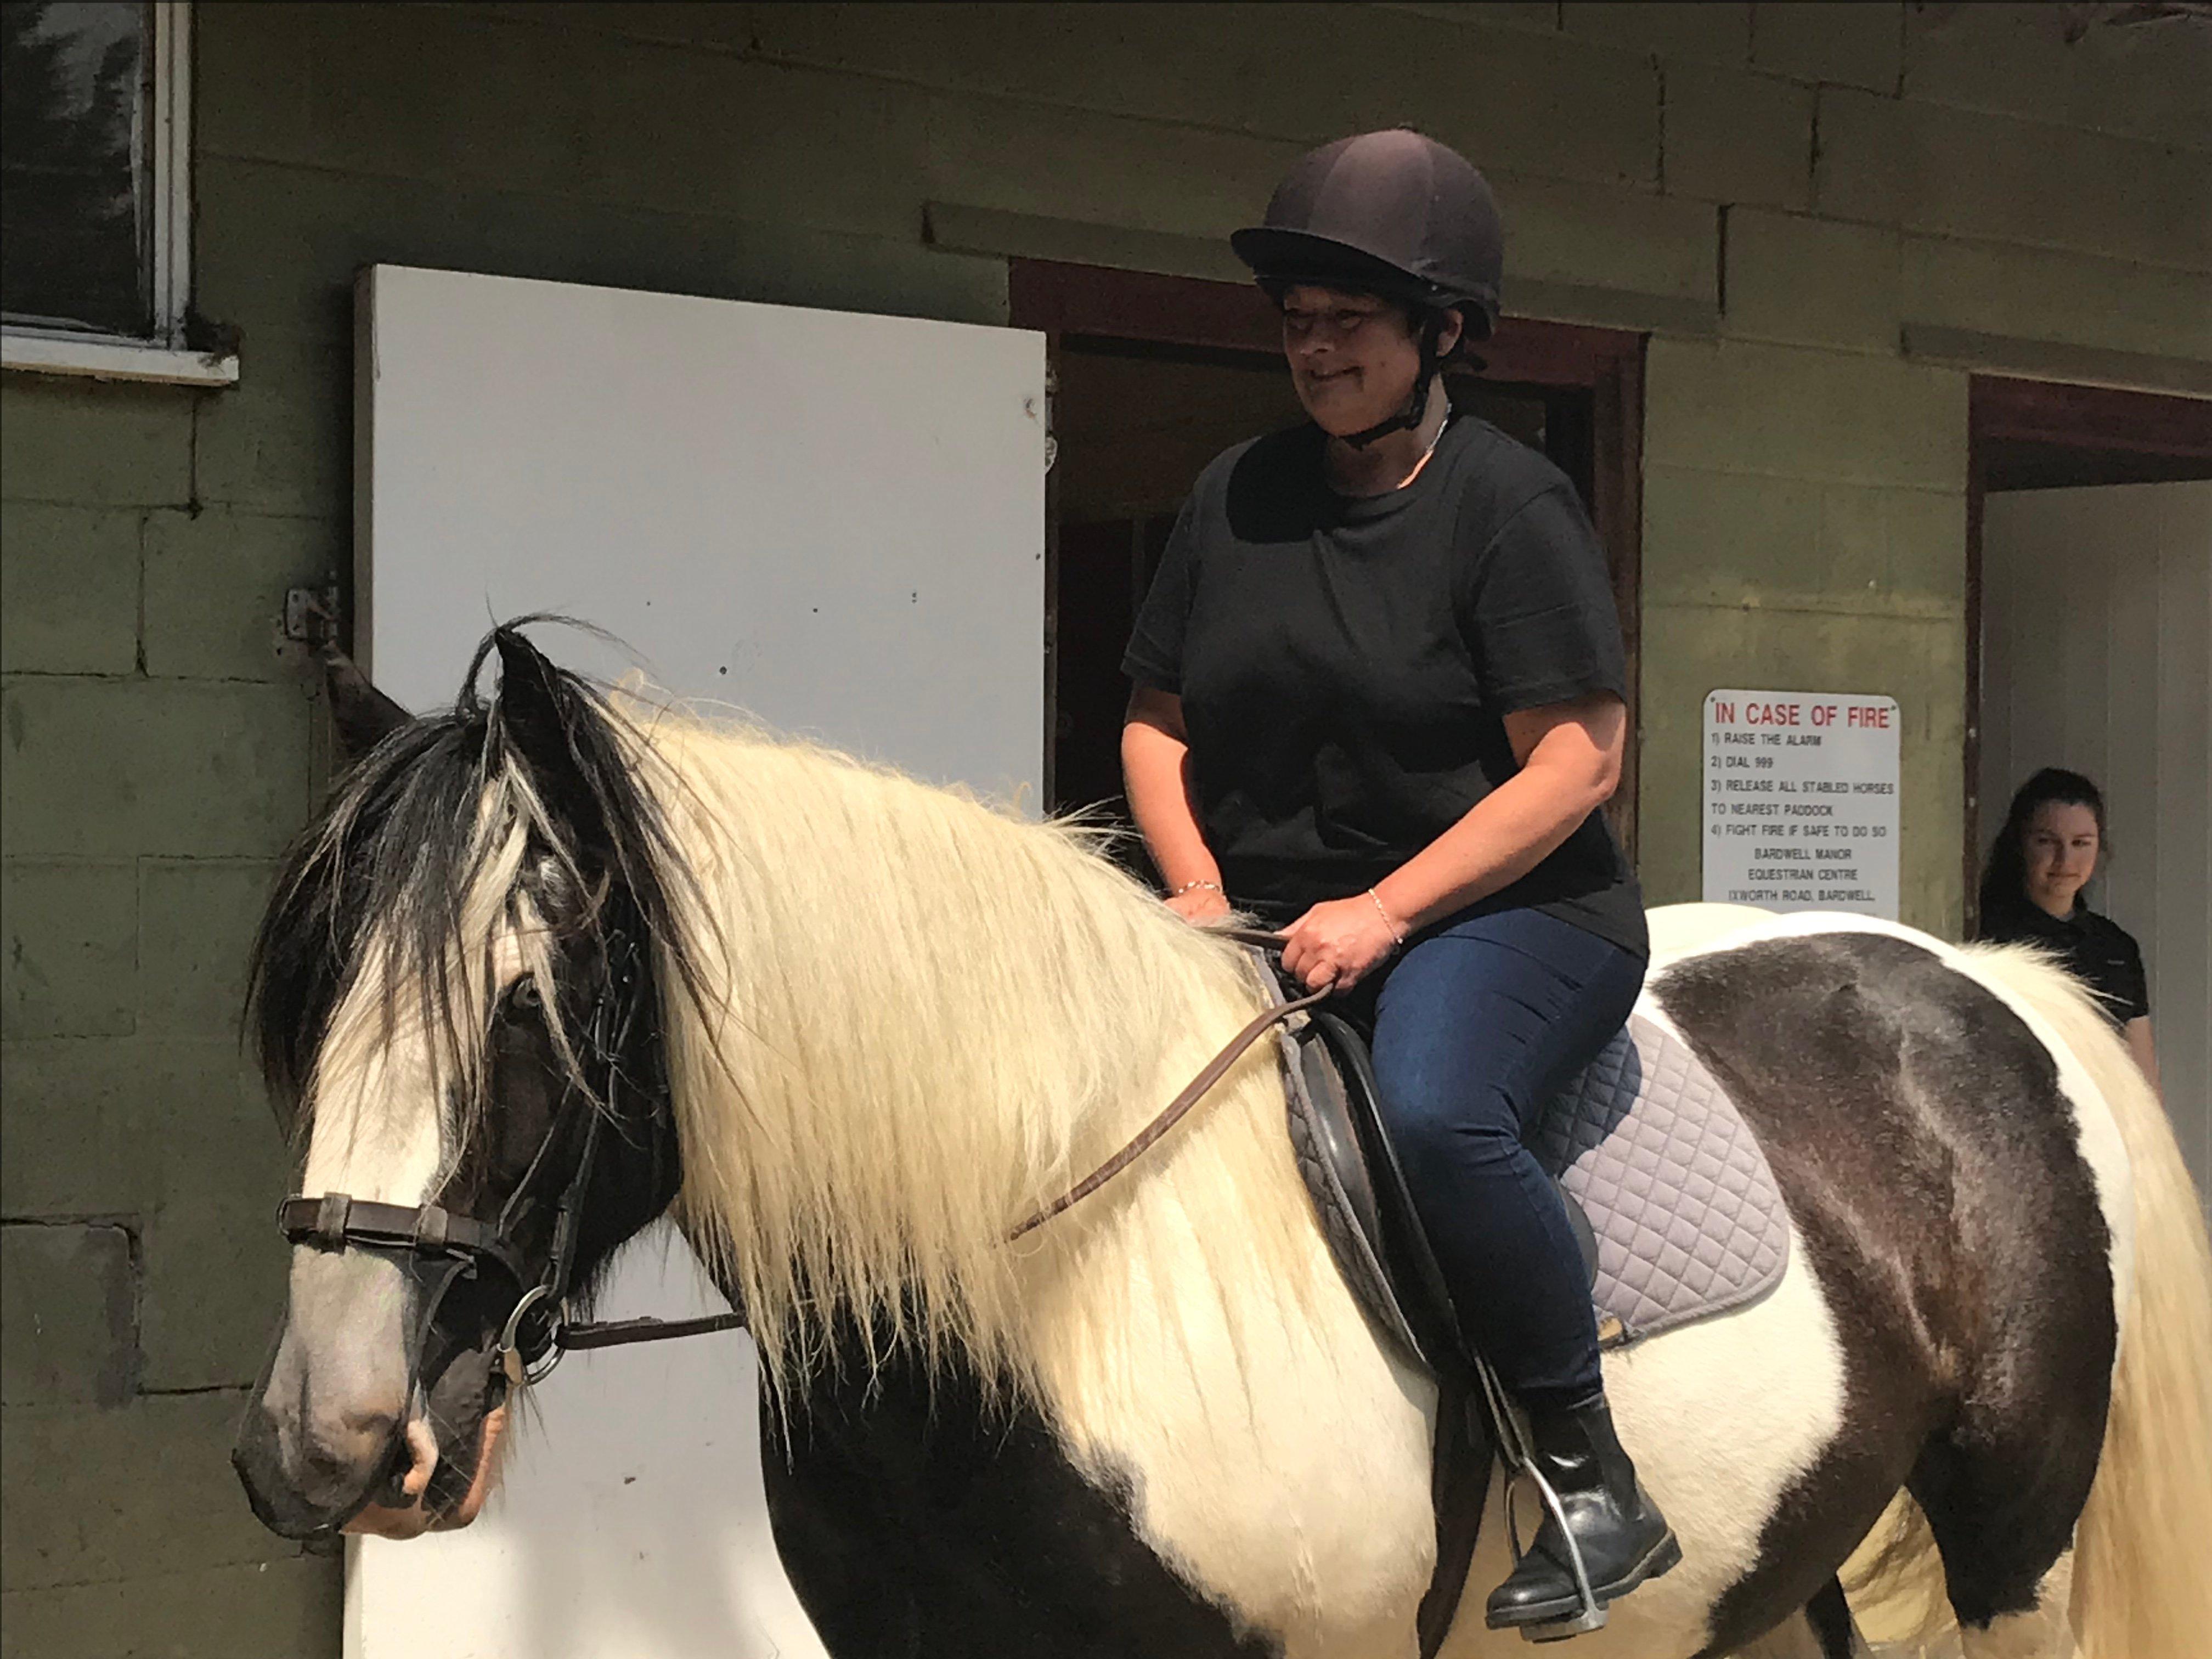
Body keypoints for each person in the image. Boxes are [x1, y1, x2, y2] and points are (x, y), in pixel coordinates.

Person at [1119, 128, 1673, 1632]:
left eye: (1346, 325)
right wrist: (1190, 887)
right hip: (1273, 910)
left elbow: (1575, 767)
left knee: (1432, 1111)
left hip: (1508, 909)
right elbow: (1155, 720)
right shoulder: (1237, 495)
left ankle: (1590, 1471)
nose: (1313, 351)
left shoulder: (1510, 507)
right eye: (1294, 324)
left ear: (1441, 334)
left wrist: (1388, 911)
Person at [1976, 768, 2159, 1090]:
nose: (2065, 860)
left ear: (2100, 848)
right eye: (2047, 842)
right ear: (2020, 844)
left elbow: (2143, 1078)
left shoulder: (2116, 947)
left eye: (2081, 843)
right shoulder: (1986, 937)